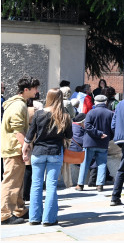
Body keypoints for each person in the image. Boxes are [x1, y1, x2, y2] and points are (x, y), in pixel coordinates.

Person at [22, 88, 72, 226]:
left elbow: (30, 135)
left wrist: (24, 150)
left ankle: (34, 218)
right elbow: (69, 136)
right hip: (55, 152)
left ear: (48, 97)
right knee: (51, 186)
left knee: (36, 185)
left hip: (38, 152)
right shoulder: (65, 115)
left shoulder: (39, 114)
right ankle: (49, 219)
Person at [1, 77, 39, 225]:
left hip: (13, 148)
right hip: (14, 149)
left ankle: (19, 209)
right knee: (11, 182)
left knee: (17, 182)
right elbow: (18, 131)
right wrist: (26, 149)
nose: (37, 91)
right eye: (35, 88)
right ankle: (4, 214)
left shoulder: (17, 103)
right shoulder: (19, 106)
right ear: (26, 90)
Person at [76, 95, 114, 191]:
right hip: (103, 142)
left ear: (95, 103)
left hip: (90, 142)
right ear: (105, 102)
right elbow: (113, 128)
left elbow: (87, 126)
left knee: (85, 163)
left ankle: (80, 184)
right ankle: (100, 185)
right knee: (102, 164)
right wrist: (106, 136)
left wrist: (98, 133)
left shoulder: (91, 112)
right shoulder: (110, 113)